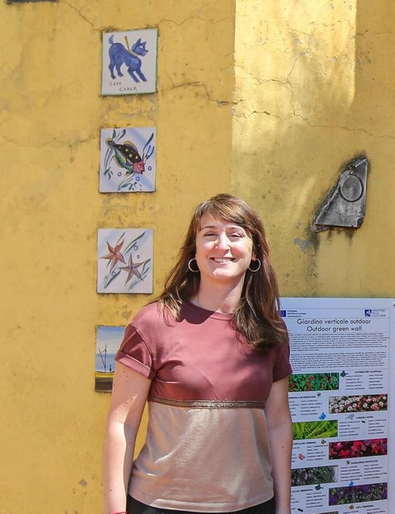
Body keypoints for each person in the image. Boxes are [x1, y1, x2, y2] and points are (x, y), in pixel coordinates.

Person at [102, 194, 293, 514]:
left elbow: (278, 422)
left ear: (254, 251)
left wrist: (283, 507)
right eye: (209, 234)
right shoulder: (153, 323)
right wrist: (114, 510)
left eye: (235, 234)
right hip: (161, 505)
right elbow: (122, 423)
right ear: (195, 251)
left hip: (253, 504)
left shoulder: (270, 331)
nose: (222, 245)